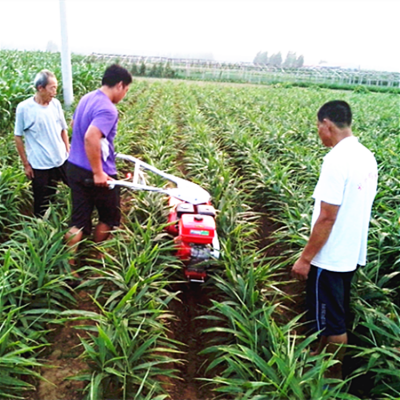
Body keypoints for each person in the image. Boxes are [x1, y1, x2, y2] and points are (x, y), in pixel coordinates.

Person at [291, 100, 378, 380]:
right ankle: (319, 356)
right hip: (351, 252)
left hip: (330, 257)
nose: (319, 133)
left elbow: (327, 217)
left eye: (319, 127)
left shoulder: (336, 161)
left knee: (332, 322)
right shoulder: (366, 156)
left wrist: (306, 258)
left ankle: (328, 378)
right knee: (332, 314)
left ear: (327, 124)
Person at [65, 64, 132, 266]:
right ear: (120, 85)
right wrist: (98, 172)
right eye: (126, 90)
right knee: (109, 218)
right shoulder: (108, 109)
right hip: (95, 174)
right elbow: (91, 137)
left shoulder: (87, 98)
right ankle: (97, 261)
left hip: (74, 167)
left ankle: (68, 266)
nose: (125, 95)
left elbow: (74, 126)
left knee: (78, 220)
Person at [14, 70, 69, 217]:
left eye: (56, 88)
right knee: (42, 201)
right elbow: (18, 137)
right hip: (40, 164)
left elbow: (63, 130)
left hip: (61, 159)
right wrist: (26, 164)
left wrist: (68, 152)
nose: (55, 92)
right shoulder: (24, 108)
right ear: (40, 88)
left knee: (77, 187)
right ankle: (41, 229)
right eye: (52, 88)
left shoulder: (56, 104)